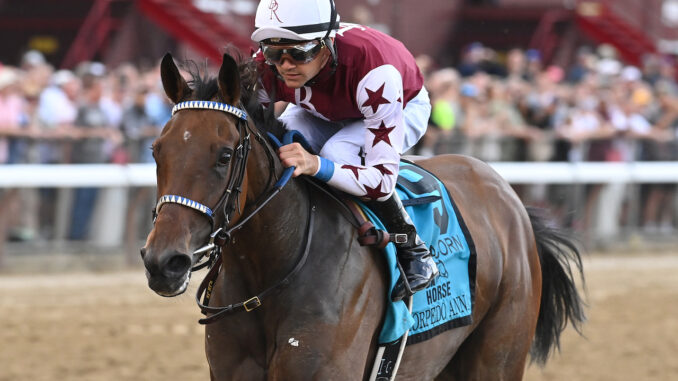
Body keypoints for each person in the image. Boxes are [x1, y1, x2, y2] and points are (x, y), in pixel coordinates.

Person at [251, 0, 438, 301]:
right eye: (274, 53)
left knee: (338, 153)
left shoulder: (376, 72)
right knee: (280, 145)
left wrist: (316, 165)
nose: (285, 65)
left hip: (400, 104)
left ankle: (413, 249)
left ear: (326, 44)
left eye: (299, 53)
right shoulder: (264, 64)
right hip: (326, 105)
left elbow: (380, 183)